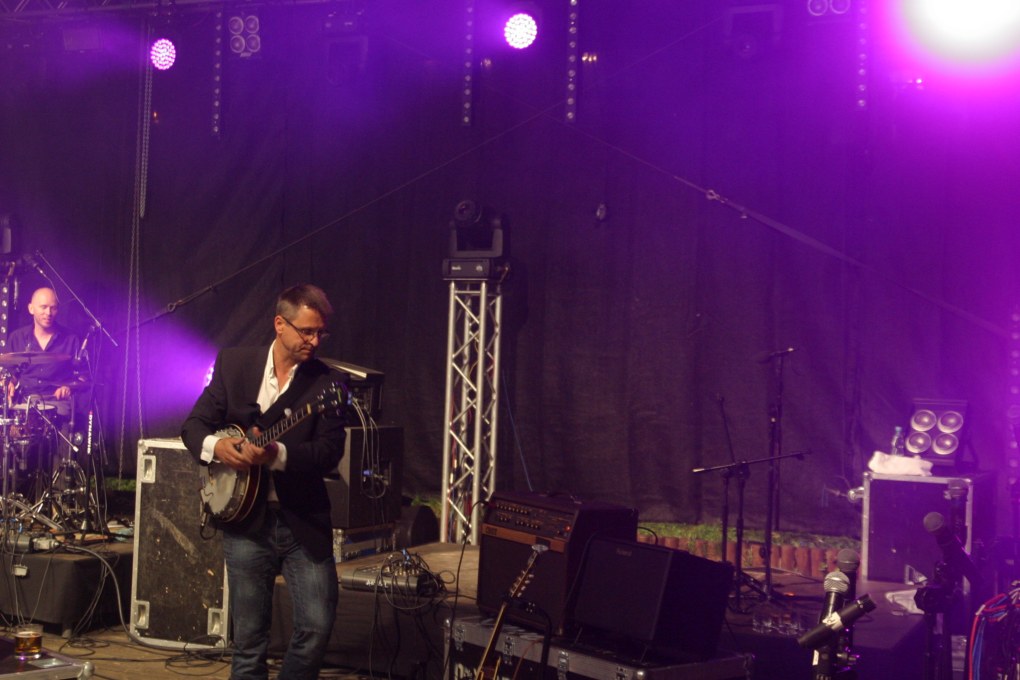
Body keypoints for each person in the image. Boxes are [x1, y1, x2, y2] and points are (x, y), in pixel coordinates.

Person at [181, 283, 346, 680]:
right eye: (306, 331)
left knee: (316, 627)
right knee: (249, 643)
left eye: (320, 333)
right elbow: (194, 426)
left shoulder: (327, 383)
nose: (314, 341)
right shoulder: (234, 364)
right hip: (246, 523)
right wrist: (218, 448)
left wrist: (277, 455)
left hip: (303, 521)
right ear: (279, 324)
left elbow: (329, 453)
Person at [5, 286, 80, 406]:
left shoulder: (71, 339)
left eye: (53, 308)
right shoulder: (17, 337)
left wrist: (68, 387)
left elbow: (82, 377)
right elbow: (10, 374)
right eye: (43, 307)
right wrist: (9, 384)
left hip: (57, 404)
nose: (48, 313)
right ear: (31, 308)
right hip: (23, 403)